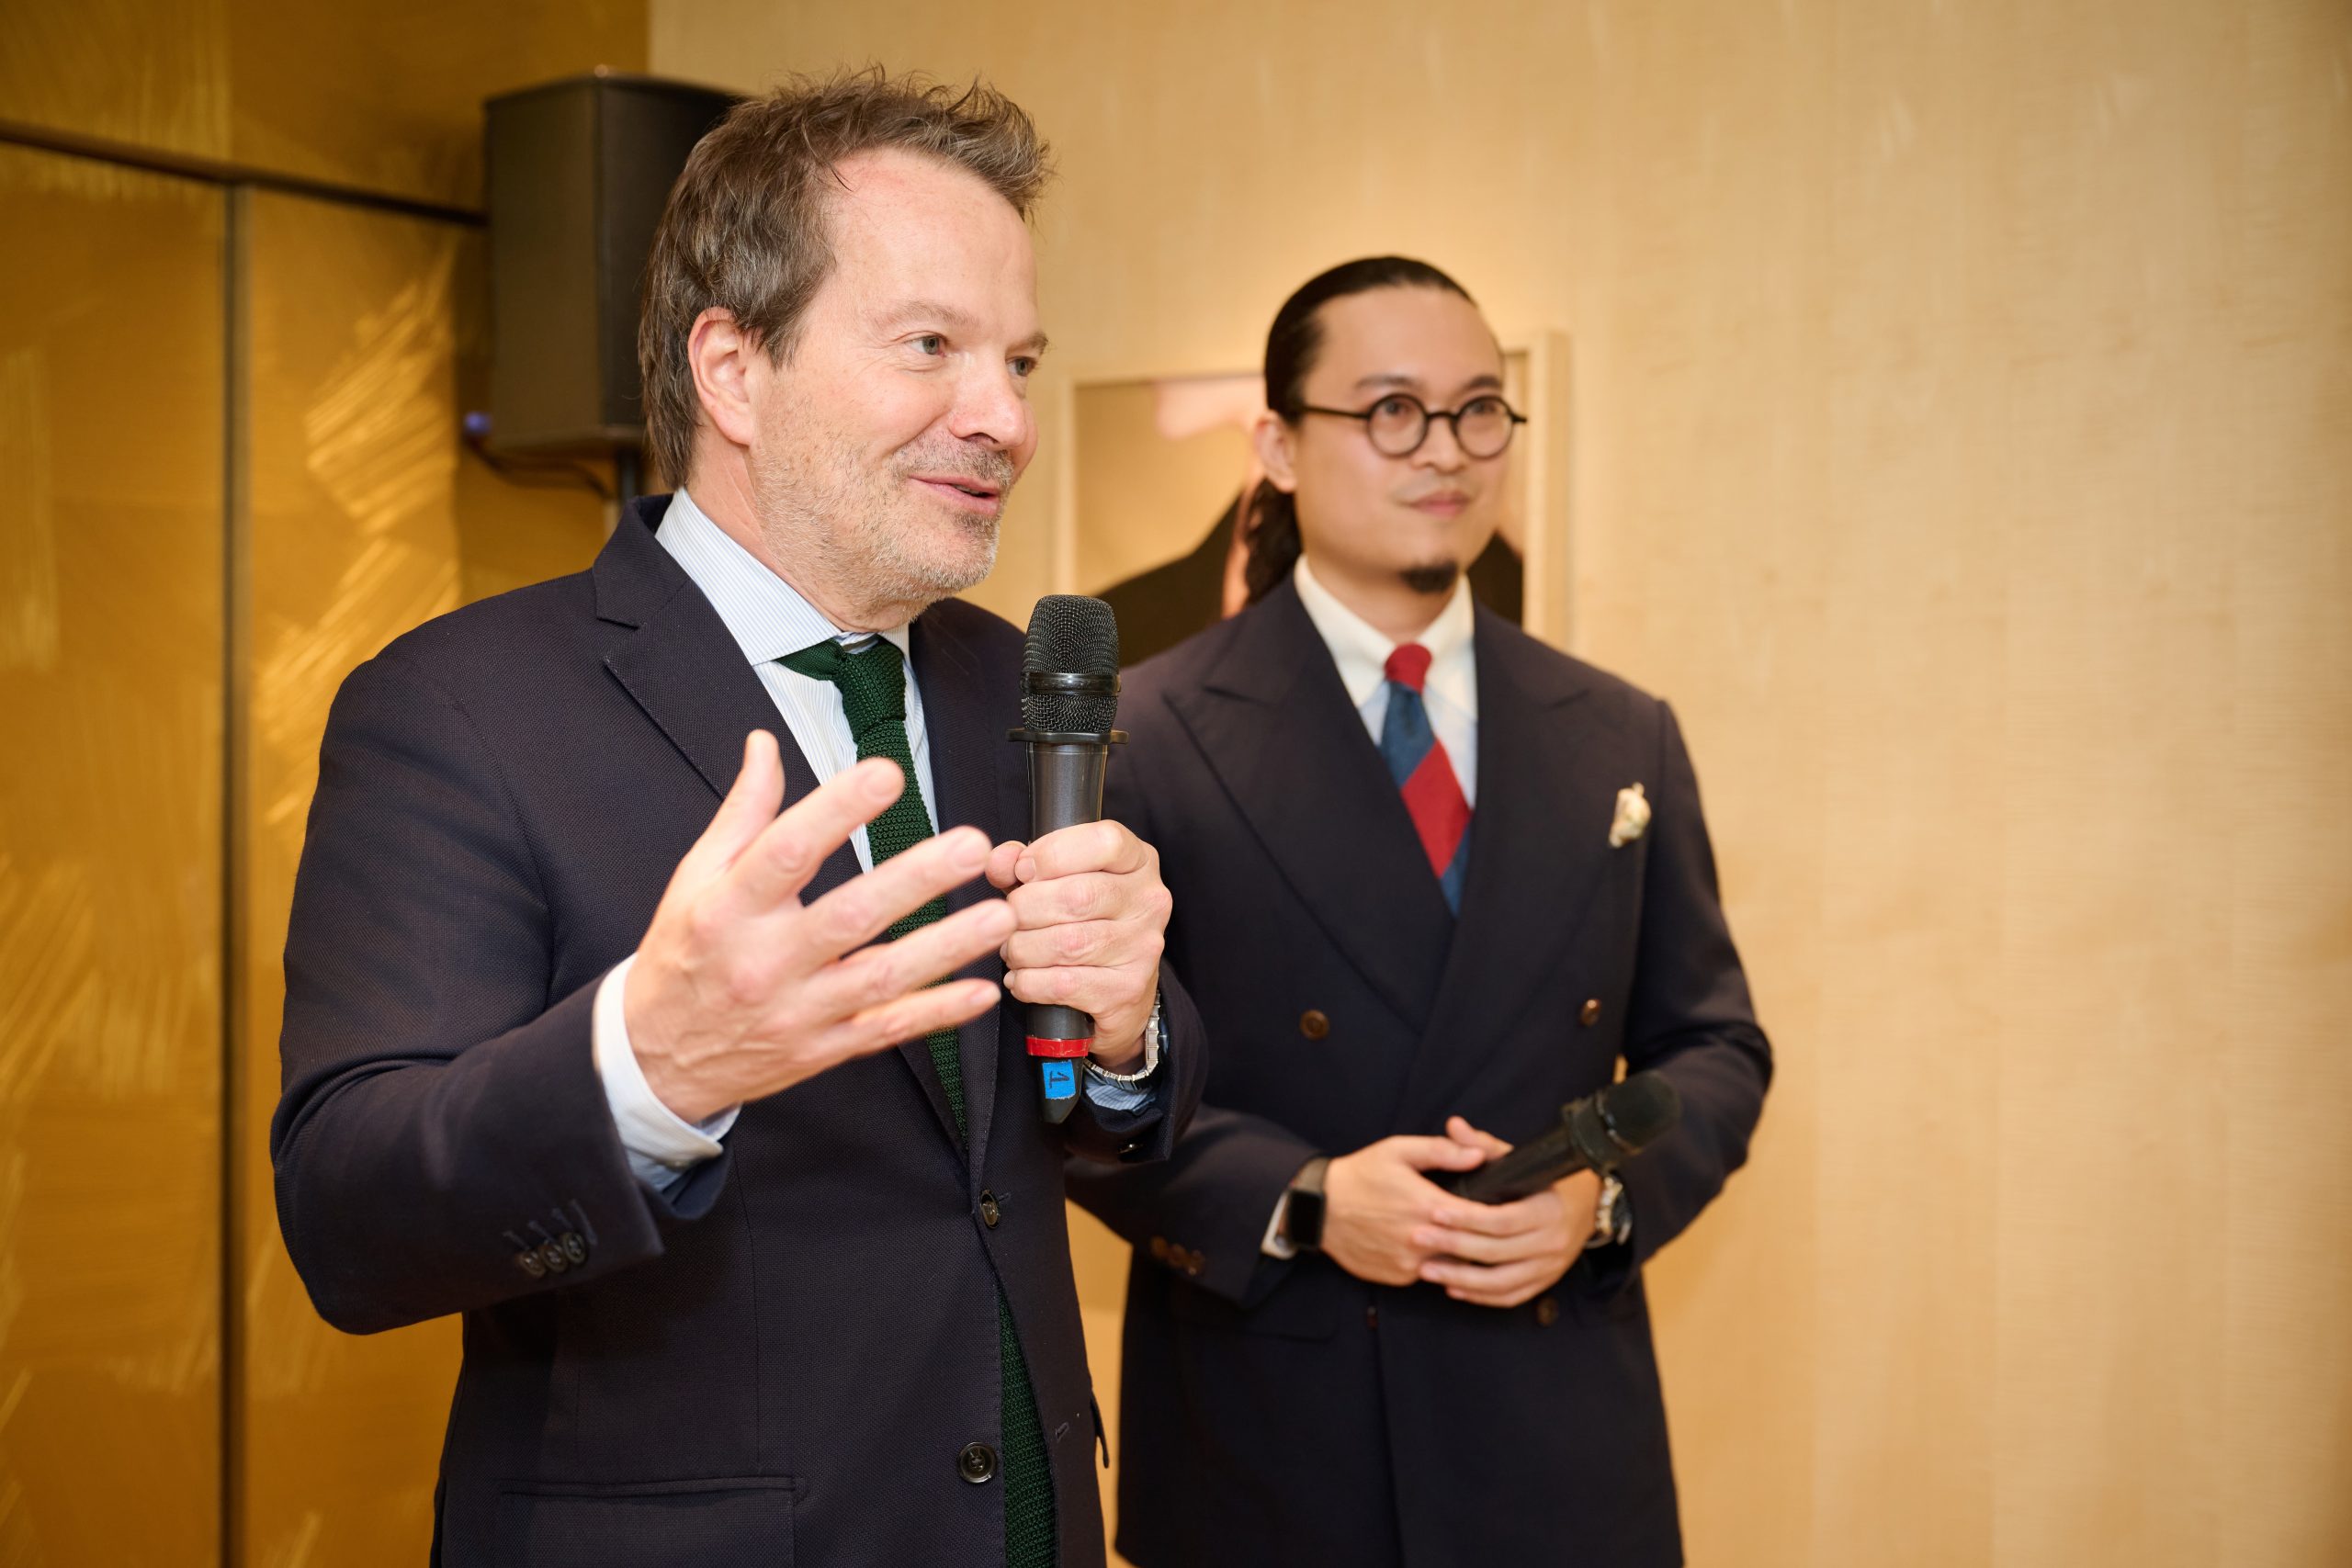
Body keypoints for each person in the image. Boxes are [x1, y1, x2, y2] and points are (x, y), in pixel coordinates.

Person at [272, 73, 1204, 1568]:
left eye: (1019, 360)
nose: (1006, 420)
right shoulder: (460, 706)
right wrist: (649, 1070)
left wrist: (1125, 1034)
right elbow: (349, 1217)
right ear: (733, 369)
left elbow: (1074, 1148)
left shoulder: (1017, 686)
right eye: (932, 347)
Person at [1068, 256, 1770, 1568]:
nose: (1445, 449)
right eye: (1392, 409)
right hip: (1276, 1437)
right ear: (1278, 445)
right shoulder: (1150, 733)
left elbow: (1715, 1046)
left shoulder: (1619, 731)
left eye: (1479, 409)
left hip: (1558, 1442)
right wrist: (1308, 1197)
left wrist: (1600, 1199)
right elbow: (1078, 1091)